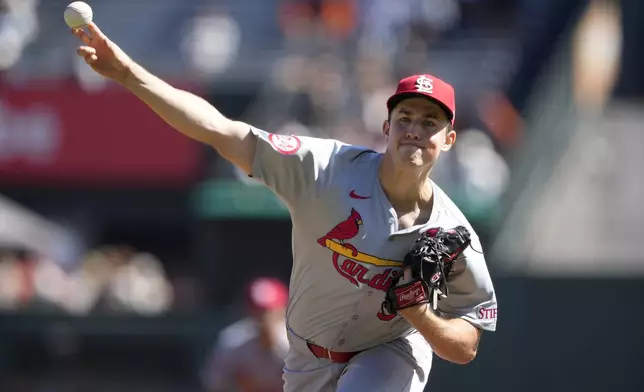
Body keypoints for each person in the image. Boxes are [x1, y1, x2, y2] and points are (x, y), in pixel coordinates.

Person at [71, 22, 498, 391]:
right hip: (308, 354)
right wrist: (127, 74)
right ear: (386, 127)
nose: (414, 131)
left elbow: (465, 347)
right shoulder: (324, 169)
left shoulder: (453, 234)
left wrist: (420, 316)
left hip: (392, 346)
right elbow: (221, 130)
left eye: (430, 123)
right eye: (405, 118)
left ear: (448, 140)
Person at [201, 277, 289, 392]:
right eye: (257, 310)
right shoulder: (233, 340)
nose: (263, 317)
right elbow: (214, 383)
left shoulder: (295, 341)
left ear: (283, 309)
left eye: (268, 311)